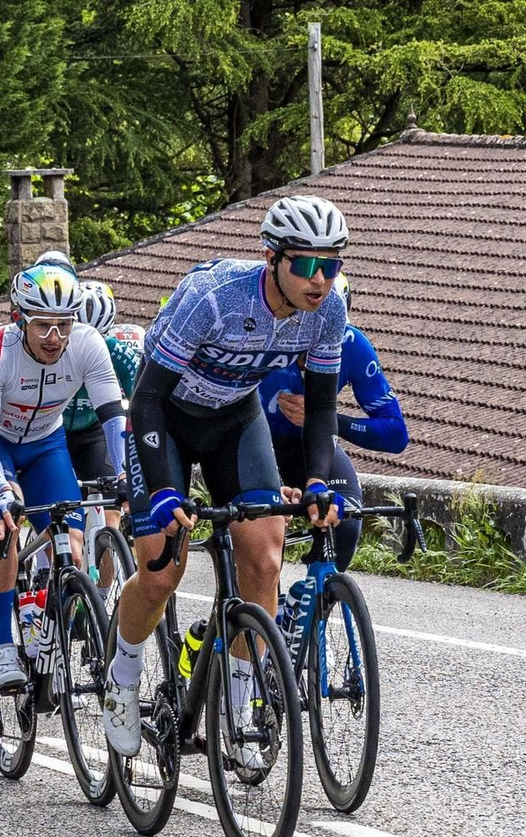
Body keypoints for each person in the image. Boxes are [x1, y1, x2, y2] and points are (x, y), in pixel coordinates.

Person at [105, 194, 350, 765]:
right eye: (306, 265)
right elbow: (145, 401)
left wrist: (316, 480)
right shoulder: (211, 298)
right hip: (165, 420)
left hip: (236, 421)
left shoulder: (329, 311)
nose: (319, 280)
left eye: (331, 265)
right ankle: (122, 671)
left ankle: (238, 706)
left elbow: (319, 410)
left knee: (264, 560)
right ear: (273, 258)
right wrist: (166, 491)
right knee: (162, 570)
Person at [0, 265, 133, 691]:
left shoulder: (87, 345)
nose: (54, 337)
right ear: (21, 319)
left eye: (63, 324)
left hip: (45, 443)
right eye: (42, 325)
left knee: (73, 548)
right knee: (6, 518)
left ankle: (46, 637)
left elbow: (114, 418)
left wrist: (127, 474)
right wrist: (0, 489)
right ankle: (2, 643)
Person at [258, 275, 408, 574]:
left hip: (314, 447)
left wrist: (328, 420)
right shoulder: (266, 342)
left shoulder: (352, 345)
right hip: (259, 445)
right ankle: (260, 613)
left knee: (346, 519)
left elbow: (395, 434)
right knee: (264, 538)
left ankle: (313, 607)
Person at [63, 279, 146, 547]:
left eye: (97, 340)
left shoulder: (118, 352)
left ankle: (103, 589)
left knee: (112, 515)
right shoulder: (53, 350)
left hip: (94, 433)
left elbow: (143, 404)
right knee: (64, 523)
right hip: (55, 432)